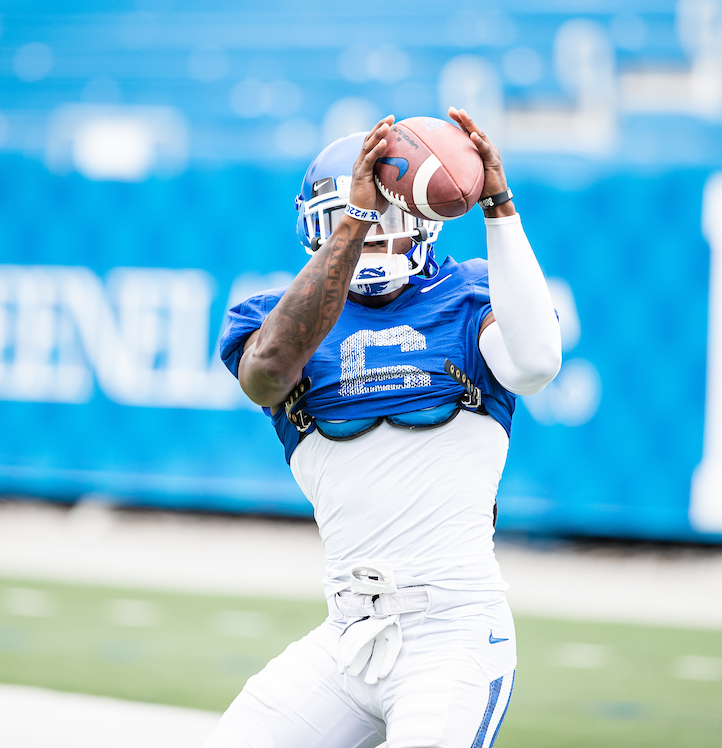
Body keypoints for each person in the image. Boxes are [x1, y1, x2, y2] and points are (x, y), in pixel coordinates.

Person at [206, 108, 562, 748]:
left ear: (425, 222)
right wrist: (360, 217)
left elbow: (536, 363)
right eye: (355, 219)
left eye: (390, 217)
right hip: (348, 639)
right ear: (323, 227)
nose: (375, 236)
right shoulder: (279, 322)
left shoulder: (469, 298)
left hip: (452, 634)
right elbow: (265, 375)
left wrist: (499, 203)